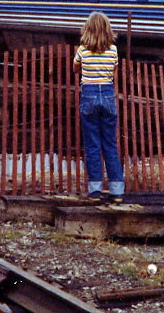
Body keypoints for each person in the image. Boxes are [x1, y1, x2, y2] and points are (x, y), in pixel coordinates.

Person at [73, 11, 125, 203]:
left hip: (89, 95)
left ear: (87, 29)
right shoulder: (113, 50)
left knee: (93, 145)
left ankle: (95, 190)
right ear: (107, 30)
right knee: (110, 144)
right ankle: (117, 191)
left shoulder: (82, 50)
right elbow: (114, 71)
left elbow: (75, 69)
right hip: (108, 96)